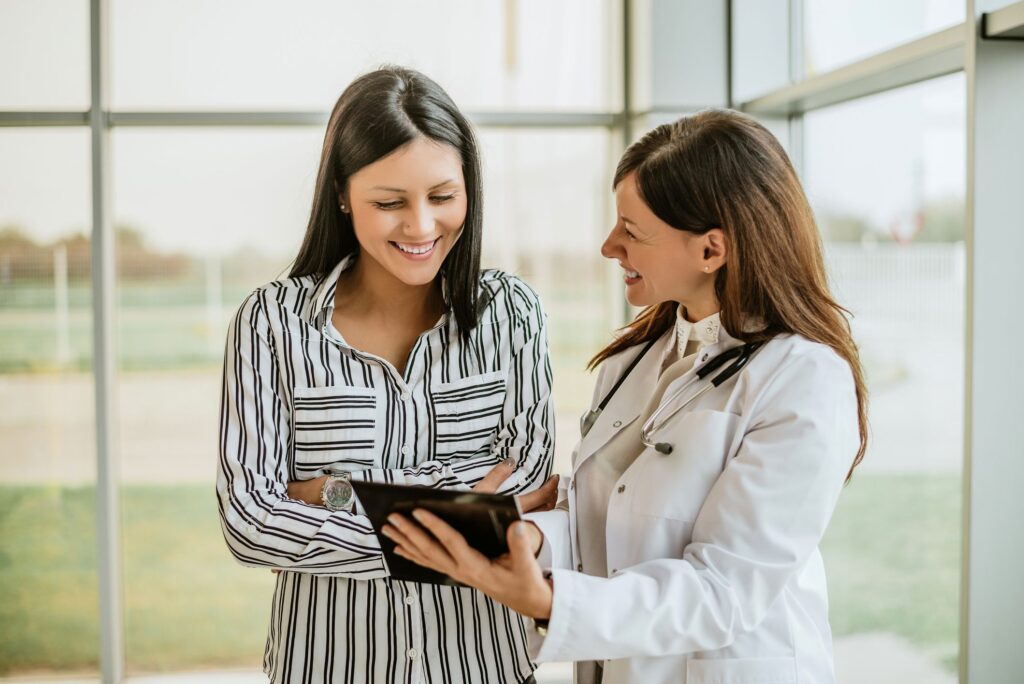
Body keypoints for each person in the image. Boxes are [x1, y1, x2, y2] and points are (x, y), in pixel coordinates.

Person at [385, 108, 869, 684]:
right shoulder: (631, 359)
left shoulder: (803, 378)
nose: (609, 246)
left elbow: (723, 590)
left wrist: (550, 602)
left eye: (632, 231)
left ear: (711, 251)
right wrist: (524, 536)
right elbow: (607, 521)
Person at [216, 66, 558, 684]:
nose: (422, 227)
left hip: (488, 668)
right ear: (343, 194)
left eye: (443, 196)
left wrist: (331, 492)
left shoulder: (512, 312)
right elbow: (250, 522)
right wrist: (463, 514)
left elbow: (529, 486)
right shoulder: (270, 322)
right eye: (390, 202)